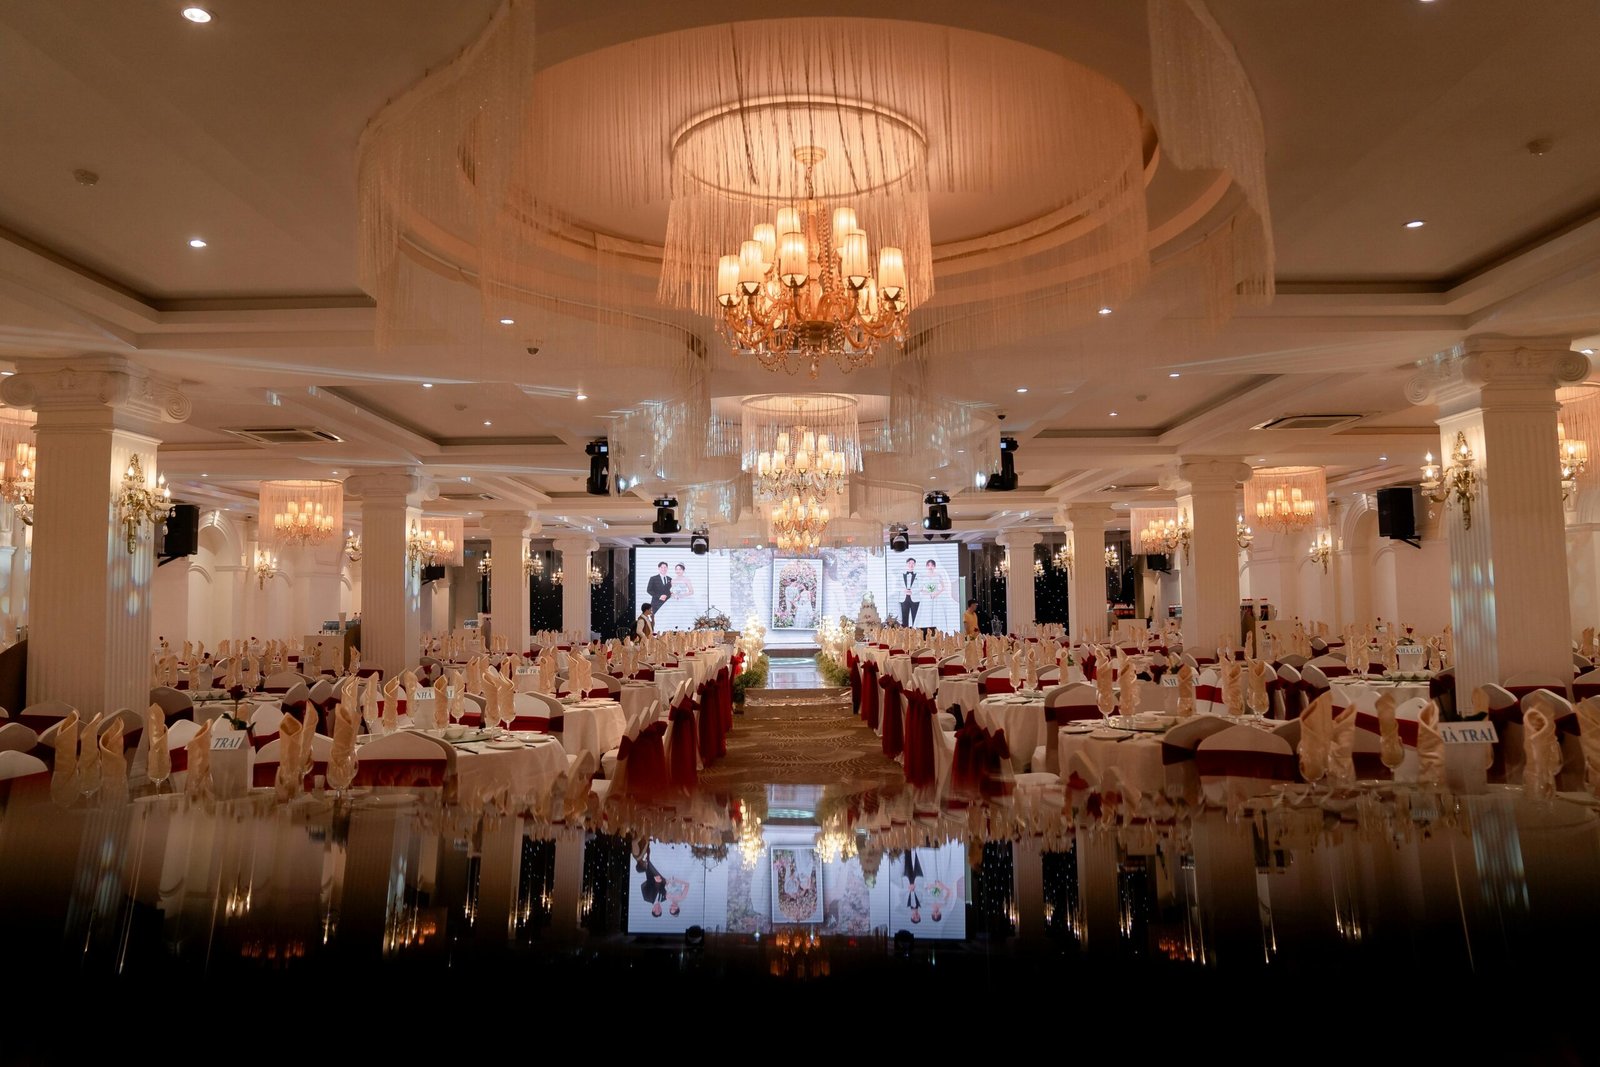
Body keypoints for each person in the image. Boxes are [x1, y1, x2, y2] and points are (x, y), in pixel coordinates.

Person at [899, 557, 920, 627]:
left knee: (915, 617)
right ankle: (905, 632)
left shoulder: (919, 575)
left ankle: (916, 631)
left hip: (915, 598)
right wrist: (904, 590)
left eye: (913, 563)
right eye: (909, 563)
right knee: (904, 617)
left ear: (915, 565)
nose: (911, 565)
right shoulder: (901, 574)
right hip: (904, 598)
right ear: (906, 564)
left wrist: (912, 591)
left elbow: (921, 586)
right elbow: (896, 585)